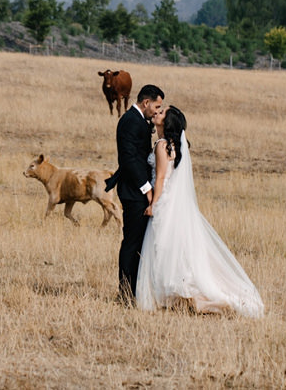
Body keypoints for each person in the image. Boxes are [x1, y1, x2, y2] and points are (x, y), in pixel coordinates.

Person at [136, 106, 264, 318]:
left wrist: (153, 203)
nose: (157, 113)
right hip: (175, 202)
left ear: (166, 123)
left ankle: (176, 293)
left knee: (163, 245)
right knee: (175, 246)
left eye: (162, 113)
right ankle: (184, 294)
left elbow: (159, 178)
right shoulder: (177, 145)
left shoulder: (161, 145)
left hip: (165, 200)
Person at [105, 84, 165, 305]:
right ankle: (126, 292)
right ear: (146, 102)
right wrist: (146, 188)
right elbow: (129, 159)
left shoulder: (138, 120)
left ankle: (136, 290)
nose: (157, 111)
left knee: (139, 241)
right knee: (131, 241)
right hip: (133, 192)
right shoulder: (130, 121)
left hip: (137, 190)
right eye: (156, 106)